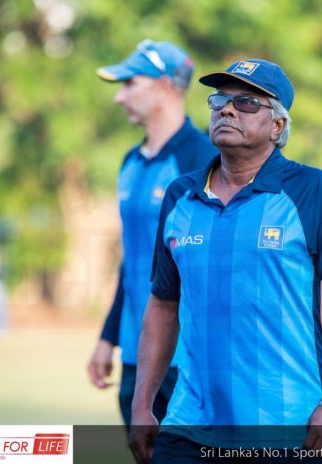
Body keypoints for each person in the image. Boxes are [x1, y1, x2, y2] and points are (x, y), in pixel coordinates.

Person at [128, 59, 322, 464]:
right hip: (187, 426)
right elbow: (163, 305)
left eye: (246, 102)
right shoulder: (180, 196)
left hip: (285, 429)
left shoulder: (312, 190)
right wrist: (142, 406)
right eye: (219, 99)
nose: (226, 109)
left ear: (278, 126)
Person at [87, 40, 216, 426]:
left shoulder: (204, 160)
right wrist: (108, 336)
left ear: (163, 87)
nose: (119, 97)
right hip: (134, 353)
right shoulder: (130, 163)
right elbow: (134, 258)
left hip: (189, 359)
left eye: (129, 84)